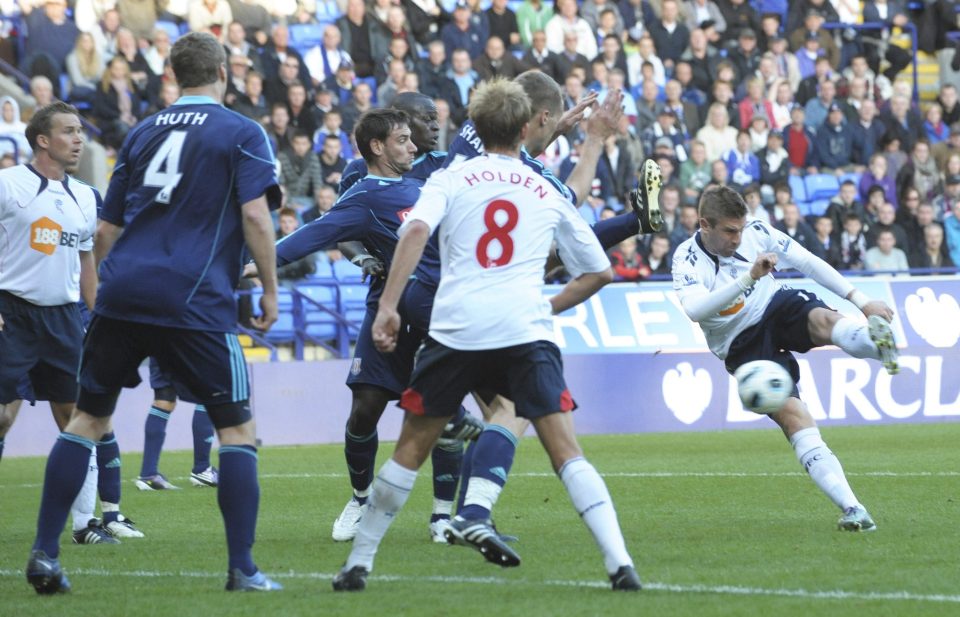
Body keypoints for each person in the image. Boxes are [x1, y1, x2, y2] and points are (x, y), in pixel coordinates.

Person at [333, 77, 641, 593]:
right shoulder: (543, 186)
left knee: (410, 448)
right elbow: (599, 271)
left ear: (474, 125)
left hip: (455, 328)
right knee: (565, 449)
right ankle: (620, 564)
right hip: (523, 327)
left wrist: (389, 306)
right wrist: (545, 303)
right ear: (527, 127)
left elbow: (413, 232)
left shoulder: (451, 178)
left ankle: (358, 565)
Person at [25, 32, 282, 595]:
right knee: (237, 429)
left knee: (87, 420)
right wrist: (269, 288)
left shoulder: (142, 131)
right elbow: (257, 217)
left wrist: (112, 293)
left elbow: (106, 230)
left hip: (121, 292)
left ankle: (44, 555)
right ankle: (243, 568)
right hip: (192, 296)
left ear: (172, 74)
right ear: (222, 71)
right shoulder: (241, 131)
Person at [265, 101, 483, 544]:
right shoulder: (361, 179)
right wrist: (360, 256)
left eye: (435, 124)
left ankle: (442, 515)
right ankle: (360, 498)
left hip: (435, 306)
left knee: (439, 415)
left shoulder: (444, 169)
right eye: (424, 124)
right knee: (365, 407)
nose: (433, 130)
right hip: (384, 303)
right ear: (385, 141)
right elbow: (338, 228)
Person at [672, 185, 899, 533]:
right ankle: (853, 508)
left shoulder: (757, 232)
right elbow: (694, 309)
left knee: (825, 321)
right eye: (730, 231)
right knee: (795, 417)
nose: (738, 238)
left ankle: (875, 343)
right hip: (740, 344)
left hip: (774, 305)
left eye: (740, 229)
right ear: (704, 224)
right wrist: (750, 276)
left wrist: (862, 300)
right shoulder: (686, 258)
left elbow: (807, 261)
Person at [0, 101, 142, 547]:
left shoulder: (84, 196)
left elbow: (86, 263)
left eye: (80, 130)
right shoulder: (8, 185)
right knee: (2, 417)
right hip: (12, 313)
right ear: (43, 140)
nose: (79, 138)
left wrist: (99, 317)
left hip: (62, 319)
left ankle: (84, 525)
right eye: (69, 131)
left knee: (80, 420)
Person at [135, 359, 219, 490]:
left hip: (159, 341)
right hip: (190, 341)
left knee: (164, 399)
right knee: (209, 393)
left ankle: (148, 475)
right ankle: (202, 469)